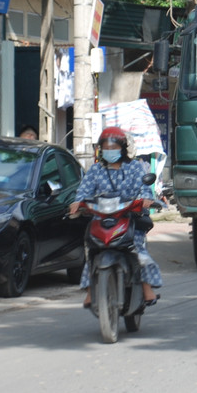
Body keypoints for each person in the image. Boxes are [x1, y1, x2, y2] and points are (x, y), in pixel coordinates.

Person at [69, 126, 162, 307]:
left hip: (129, 217)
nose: (110, 151)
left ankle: (146, 287)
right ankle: (90, 291)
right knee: (92, 251)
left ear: (123, 148)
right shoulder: (96, 170)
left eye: (114, 147)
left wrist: (146, 200)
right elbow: (84, 190)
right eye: (106, 148)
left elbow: (144, 189)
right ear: (101, 150)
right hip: (102, 218)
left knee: (138, 249)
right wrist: (77, 203)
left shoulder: (135, 167)